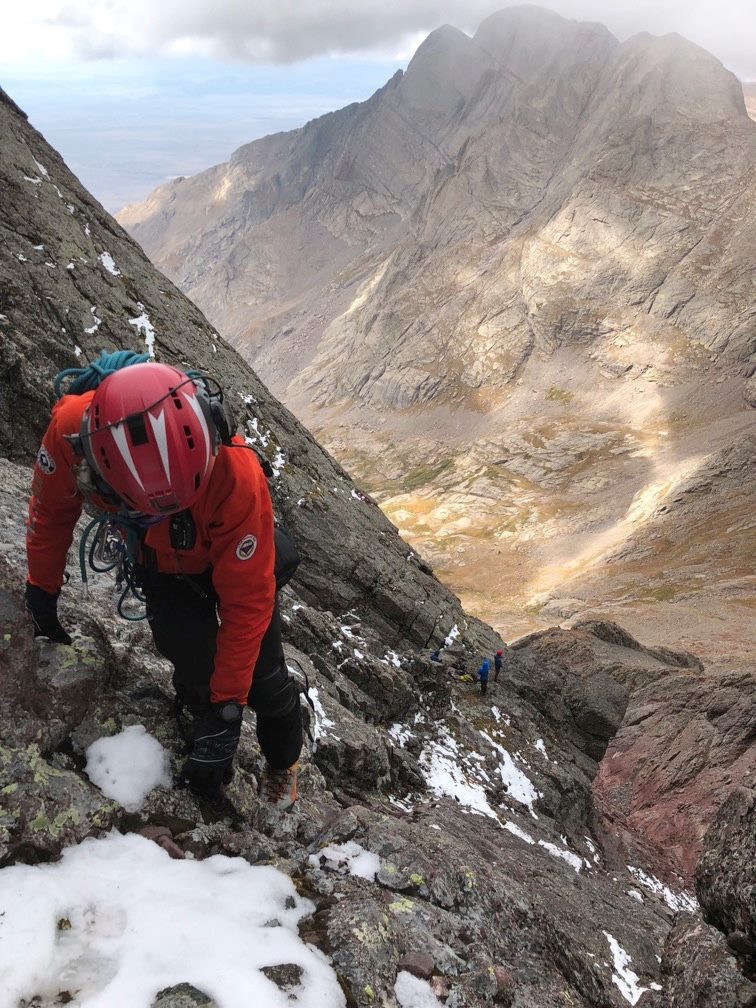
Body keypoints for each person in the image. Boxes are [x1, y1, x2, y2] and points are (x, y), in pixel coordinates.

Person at [24, 355, 302, 809]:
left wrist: (230, 709)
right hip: (159, 563)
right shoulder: (71, 435)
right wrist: (42, 589)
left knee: (266, 682)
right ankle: (202, 734)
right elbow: (52, 512)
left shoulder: (235, 472)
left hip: (225, 550)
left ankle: (283, 760)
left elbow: (247, 602)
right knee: (194, 672)